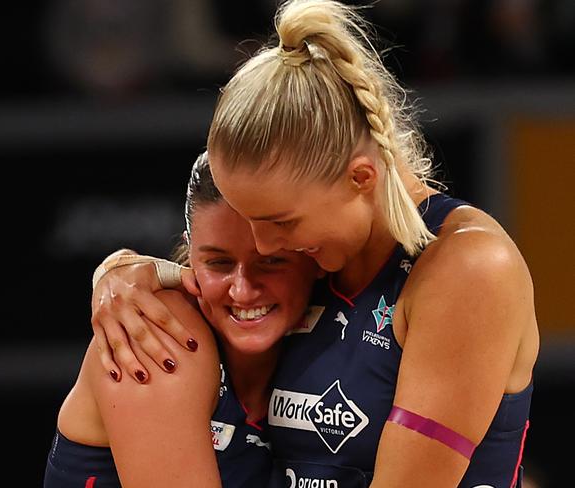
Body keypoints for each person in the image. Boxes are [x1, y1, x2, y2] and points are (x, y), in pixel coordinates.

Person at [89, 1, 540, 487]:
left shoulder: (470, 267)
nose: (264, 245)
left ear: (360, 178)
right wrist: (129, 274)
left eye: (280, 222)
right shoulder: (322, 260)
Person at [44, 152, 323, 487]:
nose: (243, 290)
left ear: (312, 252)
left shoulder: (343, 324)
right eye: (219, 263)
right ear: (190, 256)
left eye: (270, 262)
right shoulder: (155, 330)